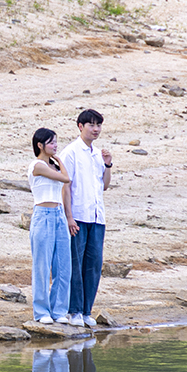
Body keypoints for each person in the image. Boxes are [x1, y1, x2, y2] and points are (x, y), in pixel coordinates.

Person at [59, 108, 112, 327]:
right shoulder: (70, 152)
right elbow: (65, 186)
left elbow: (104, 185)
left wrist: (108, 164)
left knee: (93, 264)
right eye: (91, 125)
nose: (96, 129)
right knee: (75, 263)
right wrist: (69, 217)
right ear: (80, 126)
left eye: (98, 125)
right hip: (78, 216)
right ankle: (74, 311)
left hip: (97, 217)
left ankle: (86, 310)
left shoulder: (97, 154)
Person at [27, 126, 73, 325]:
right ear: (40, 145)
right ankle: (41, 311)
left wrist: (57, 162)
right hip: (43, 215)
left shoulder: (52, 167)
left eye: (56, 142)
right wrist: (60, 161)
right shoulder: (37, 166)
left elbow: (65, 183)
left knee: (63, 265)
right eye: (51, 142)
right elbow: (66, 178)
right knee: (42, 266)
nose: (55, 145)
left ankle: (59, 310)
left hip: (59, 215)